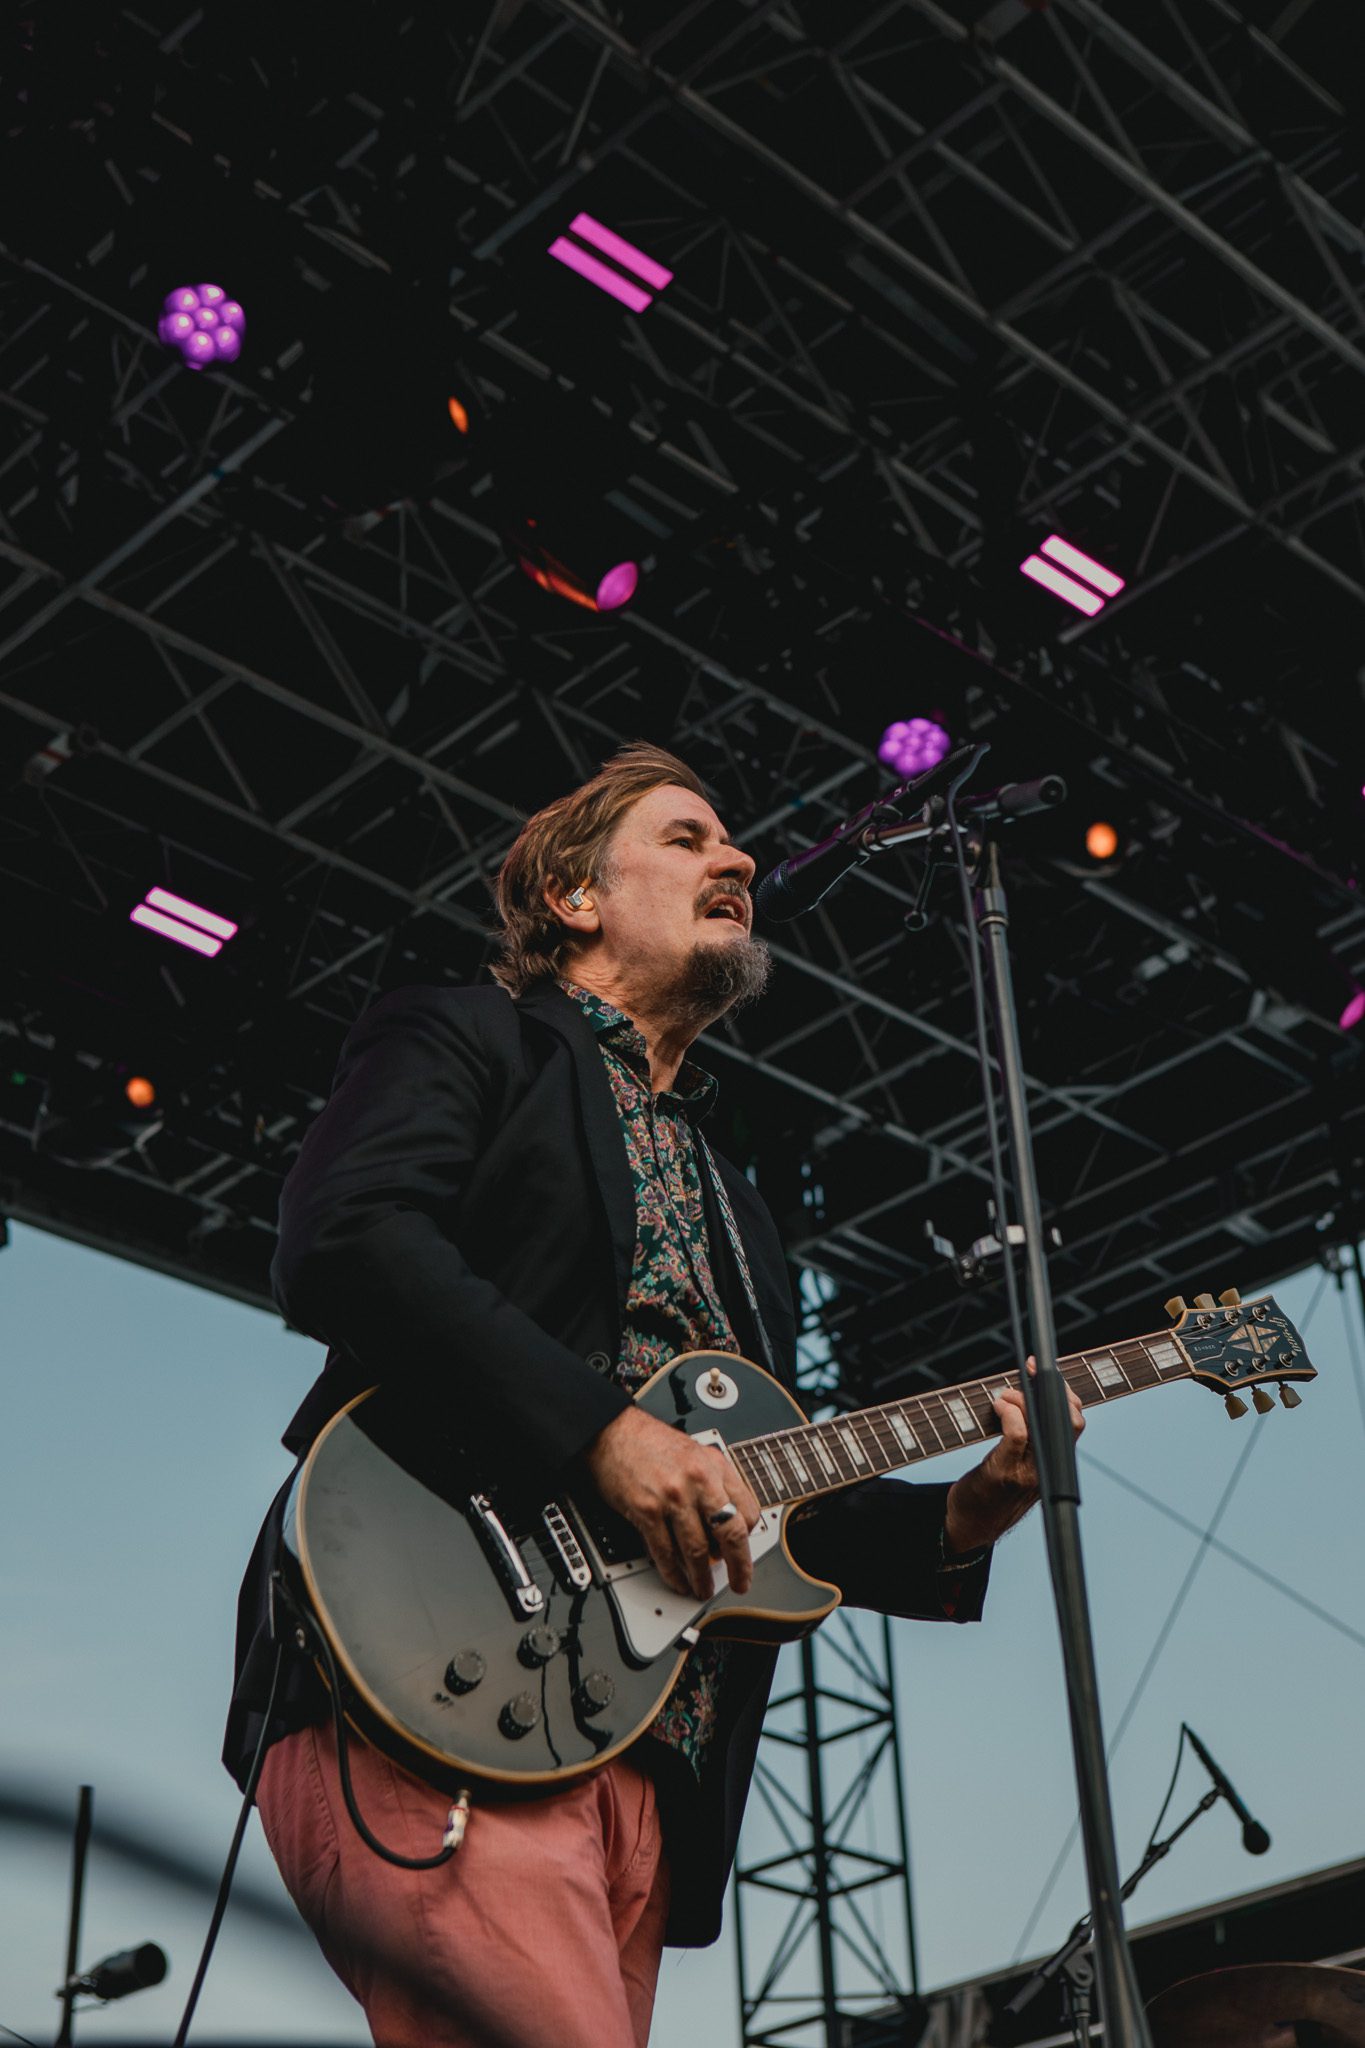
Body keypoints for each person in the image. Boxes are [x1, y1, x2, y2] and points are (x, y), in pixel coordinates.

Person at [225, 742, 1083, 2048]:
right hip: (438, 1671)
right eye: (687, 839)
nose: (735, 859)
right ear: (574, 896)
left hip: (637, 1748)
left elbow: (752, 1492)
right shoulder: (472, 1036)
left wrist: (969, 1510)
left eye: (728, 843)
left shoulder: (736, 1191)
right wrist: (604, 1433)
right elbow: (346, 1238)